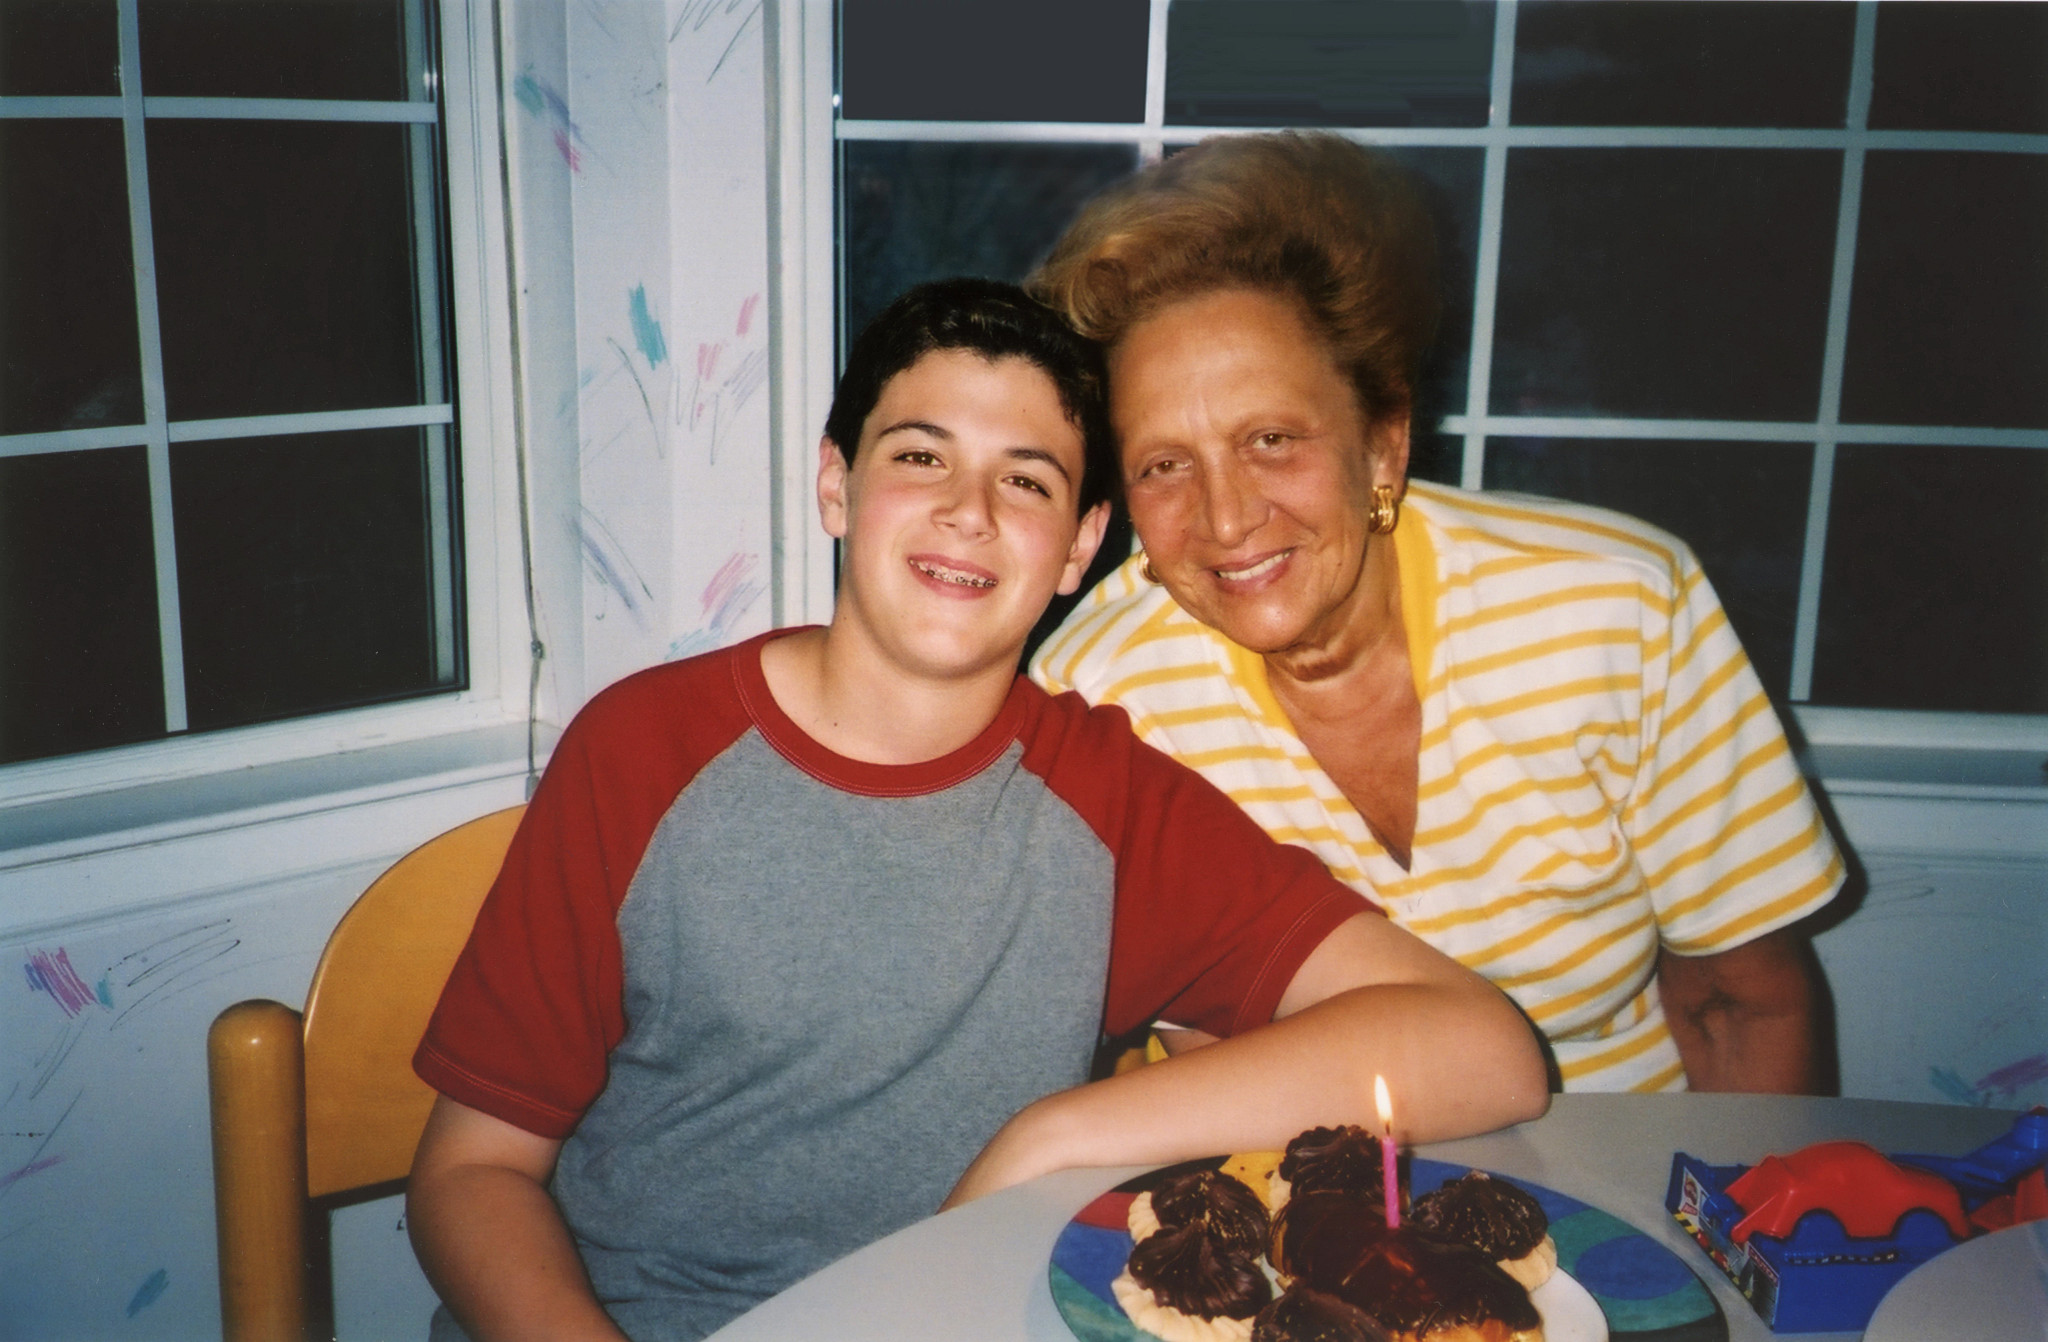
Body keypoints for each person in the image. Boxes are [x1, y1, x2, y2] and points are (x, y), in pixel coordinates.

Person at [405, 277, 1548, 1342]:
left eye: (1026, 479)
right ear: (835, 483)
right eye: (920, 456)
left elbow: (1485, 1049)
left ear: (1078, 547)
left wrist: (1050, 1135)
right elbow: (470, 1173)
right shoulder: (643, 750)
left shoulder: (1106, 798)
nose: (968, 511)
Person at [1029, 133, 1846, 1096]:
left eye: (1273, 439)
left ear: (1384, 443)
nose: (1226, 517)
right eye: (1164, 464)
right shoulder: (1101, 699)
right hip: (1306, 1187)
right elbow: (1223, 1072)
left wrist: (1729, 1239)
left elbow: (1738, 1005)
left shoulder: (1617, 611)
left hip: (1636, 1179)